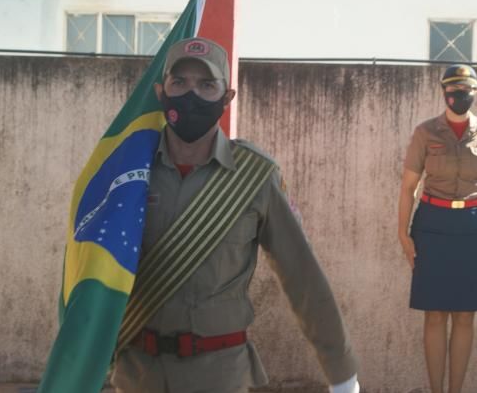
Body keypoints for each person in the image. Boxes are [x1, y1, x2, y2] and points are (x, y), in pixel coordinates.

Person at [111, 37, 359, 393]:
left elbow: (303, 276)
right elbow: (90, 267)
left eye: (206, 85)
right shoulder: (127, 169)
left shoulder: (255, 178)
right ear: (160, 91)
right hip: (138, 374)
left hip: (218, 375)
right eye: (179, 82)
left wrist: (341, 373)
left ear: (227, 98)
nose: (191, 95)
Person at [397, 64, 477, 393]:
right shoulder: (425, 132)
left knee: (464, 314)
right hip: (432, 225)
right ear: (443, 91)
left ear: (475, 93)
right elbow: (408, 188)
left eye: (467, 91)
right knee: (434, 313)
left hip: (472, 227)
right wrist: (403, 234)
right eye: (454, 90)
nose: (460, 96)